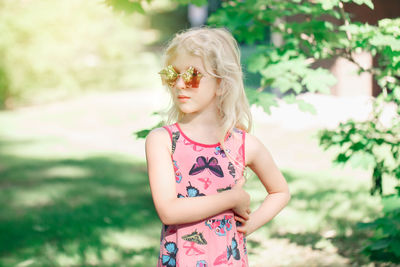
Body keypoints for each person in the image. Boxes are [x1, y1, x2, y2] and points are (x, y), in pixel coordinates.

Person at [145, 26, 290, 267]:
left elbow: (280, 192)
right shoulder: (163, 140)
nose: (180, 84)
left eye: (192, 75)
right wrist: (232, 198)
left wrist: (250, 225)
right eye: (173, 74)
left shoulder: (244, 144)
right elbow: (169, 211)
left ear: (221, 84)